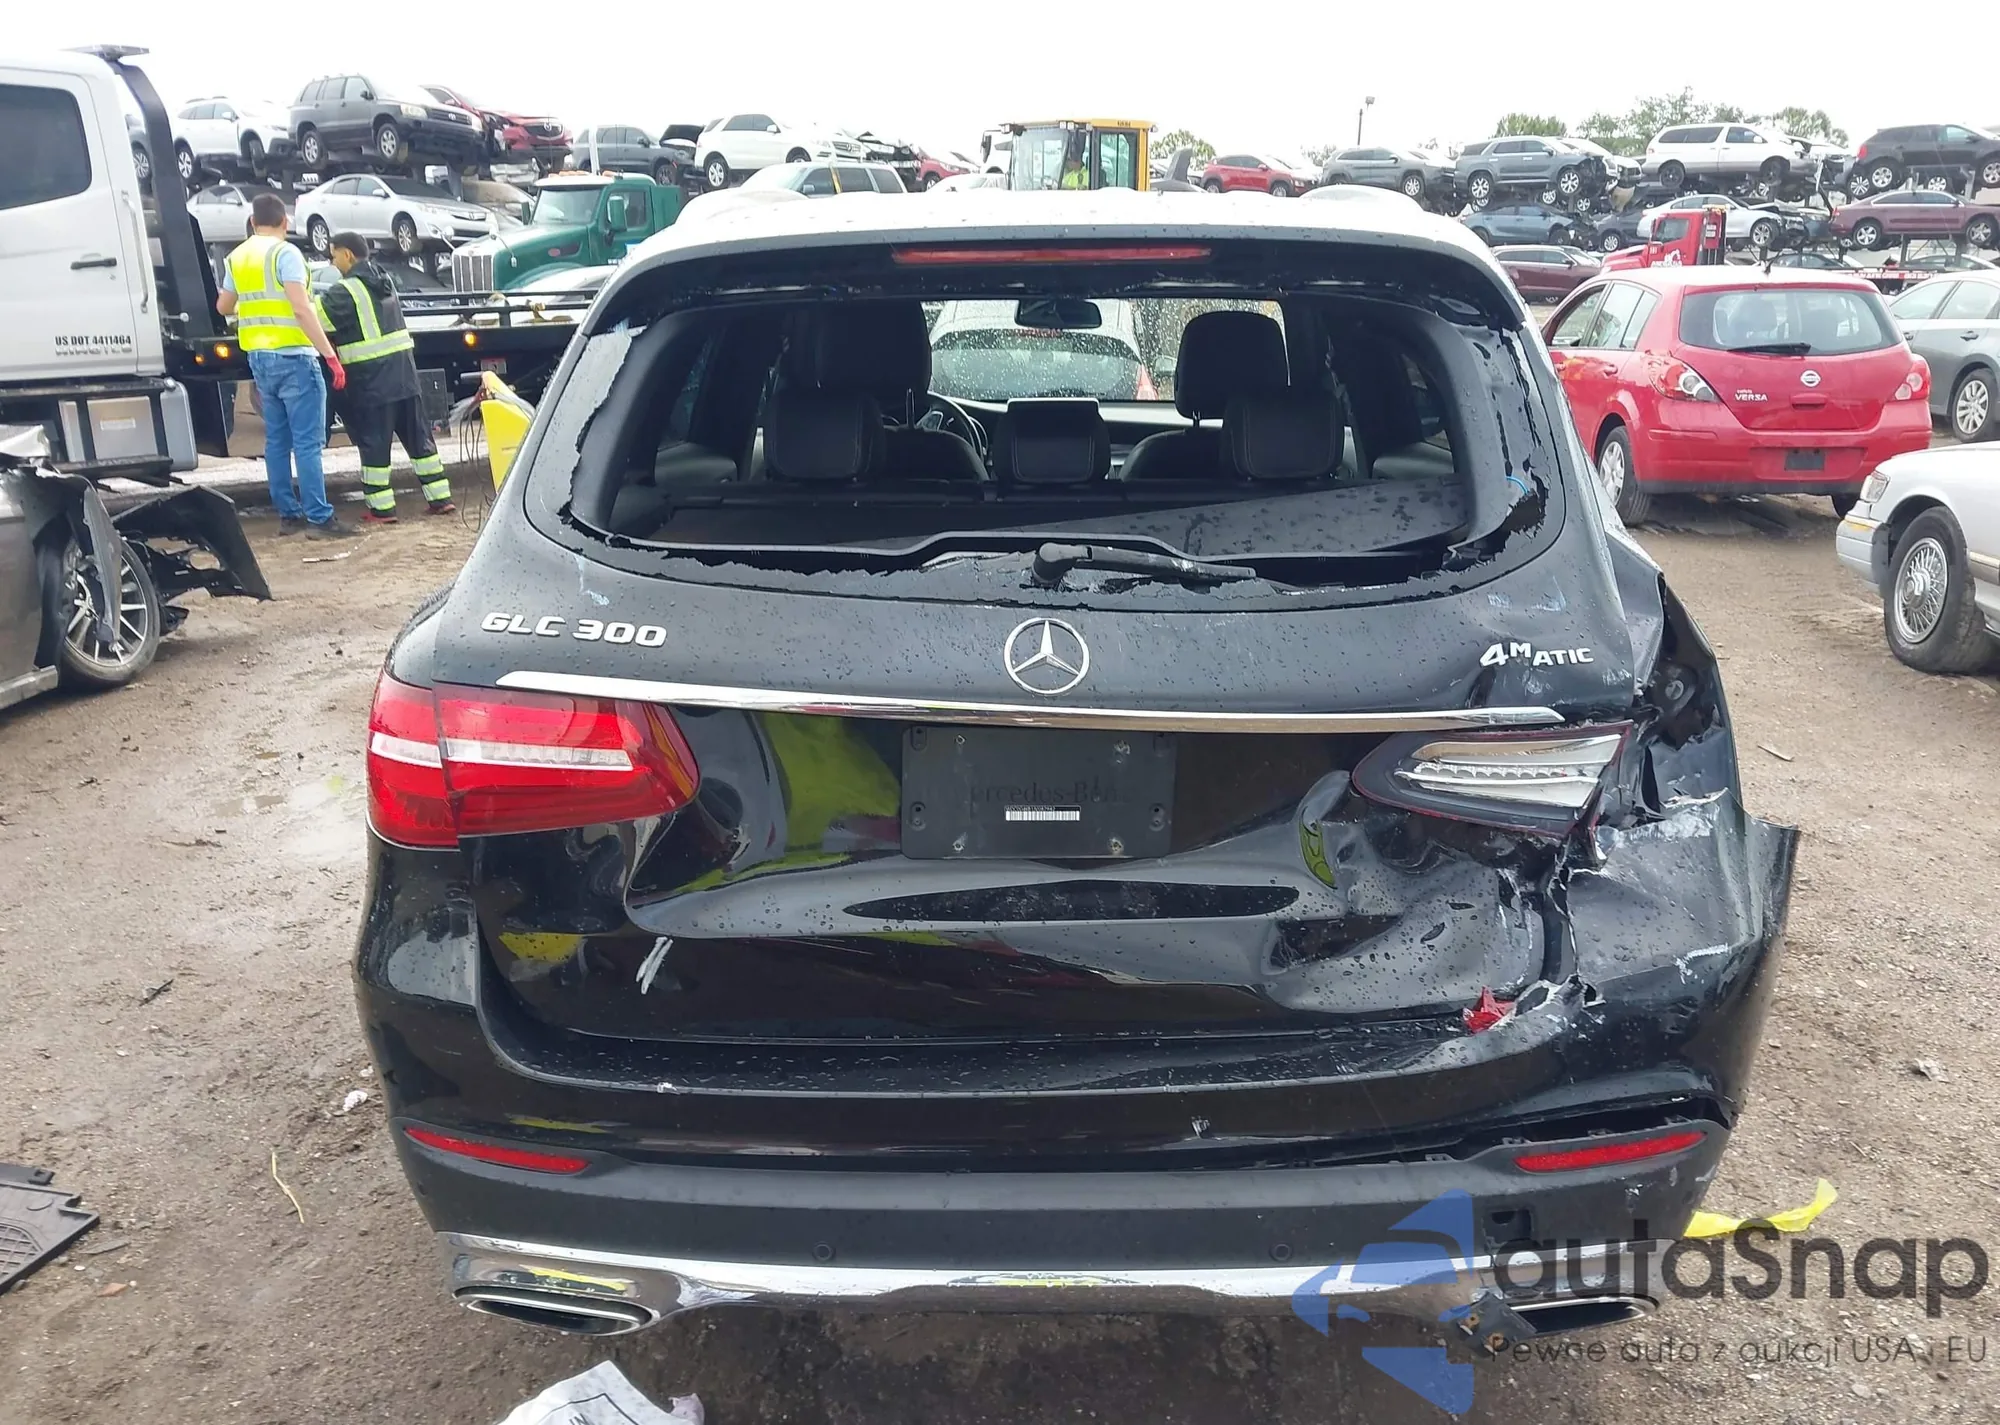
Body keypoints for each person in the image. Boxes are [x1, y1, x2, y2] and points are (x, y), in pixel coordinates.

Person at [216, 193, 355, 538]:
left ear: (252, 222)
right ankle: (319, 518)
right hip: (295, 357)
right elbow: (301, 308)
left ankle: (289, 516)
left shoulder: (237, 257)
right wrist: (329, 355)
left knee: (277, 441)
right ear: (285, 222)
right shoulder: (285, 253)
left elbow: (224, 306)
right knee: (307, 442)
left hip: (260, 360)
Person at [315, 233, 455, 522]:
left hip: (372, 381)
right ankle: (440, 499)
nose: (332, 261)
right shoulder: (384, 279)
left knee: (375, 445)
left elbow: (316, 321)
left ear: (348, 255)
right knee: (419, 440)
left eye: (334, 255)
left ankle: (381, 509)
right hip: (404, 376)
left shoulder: (345, 290)